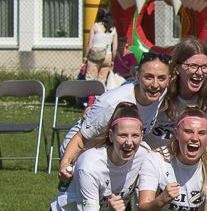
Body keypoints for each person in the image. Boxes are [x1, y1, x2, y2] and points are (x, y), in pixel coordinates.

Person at [59, 52, 171, 182]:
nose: (155, 85)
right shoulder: (111, 103)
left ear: (169, 79)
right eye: (148, 77)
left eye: (162, 78)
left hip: (116, 150)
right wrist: (65, 164)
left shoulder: (161, 92)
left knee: (147, 157)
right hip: (83, 149)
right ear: (137, 76)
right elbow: (80, 138)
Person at [147, 38, 207, 149]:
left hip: (189, 155)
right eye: (193, 66)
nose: (199, 72)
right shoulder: (160, 86)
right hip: (152, 154)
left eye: (204, 67)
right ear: (176, 68)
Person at [85, 6, 118, 84]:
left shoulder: (95, 26)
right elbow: (115, 48)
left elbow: (90, 44)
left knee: (90, 79)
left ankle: (91, 95)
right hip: (107, 56)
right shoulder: (113, 29)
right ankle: (100, 96)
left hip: (95, 55)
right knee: (102, 81)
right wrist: (113, 60)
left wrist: (85, 57)